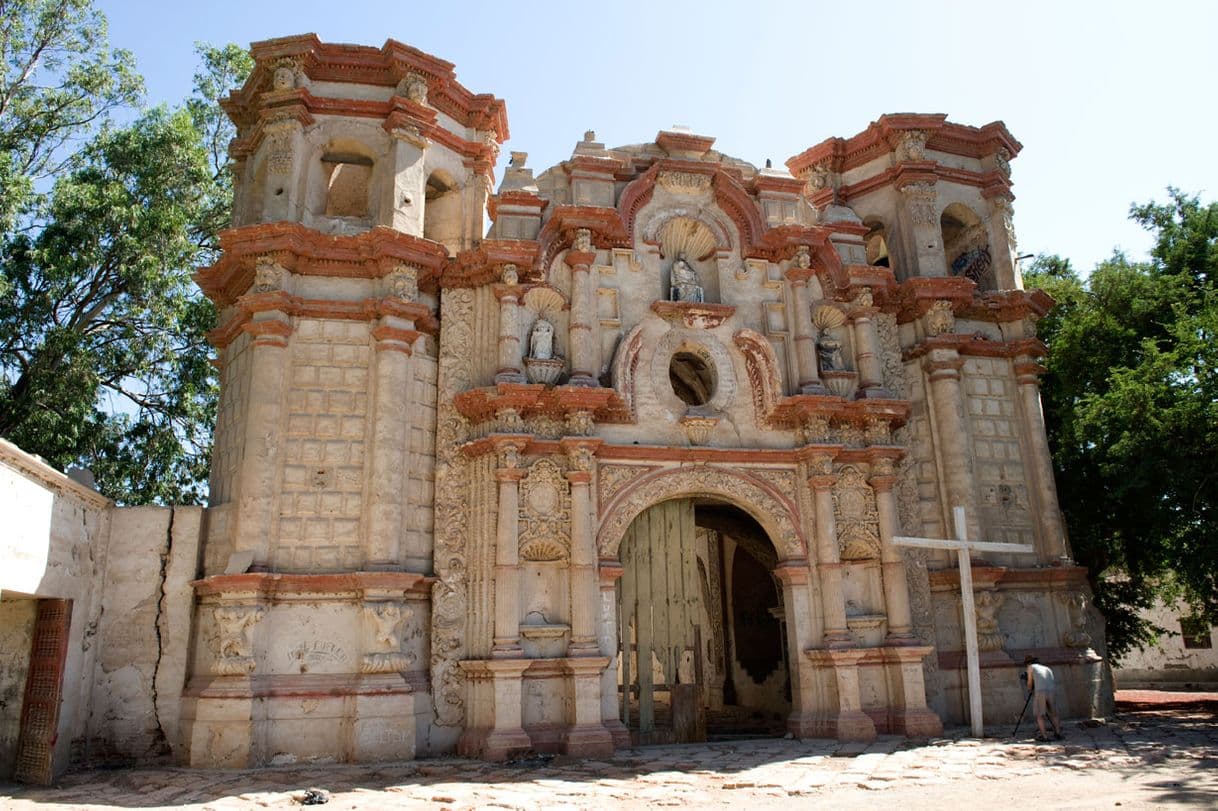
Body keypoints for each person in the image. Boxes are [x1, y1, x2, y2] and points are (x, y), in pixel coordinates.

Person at [1024, 655, 1062, 741]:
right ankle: (1058, 733)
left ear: (1028, 663)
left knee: (1040, 714)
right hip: (1051, 690)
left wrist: (1029, 689)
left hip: (1041, 690)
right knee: (1054, 713)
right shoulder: (1047, 668)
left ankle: (1044, 736)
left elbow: (1030, 682)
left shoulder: (1030, 667)